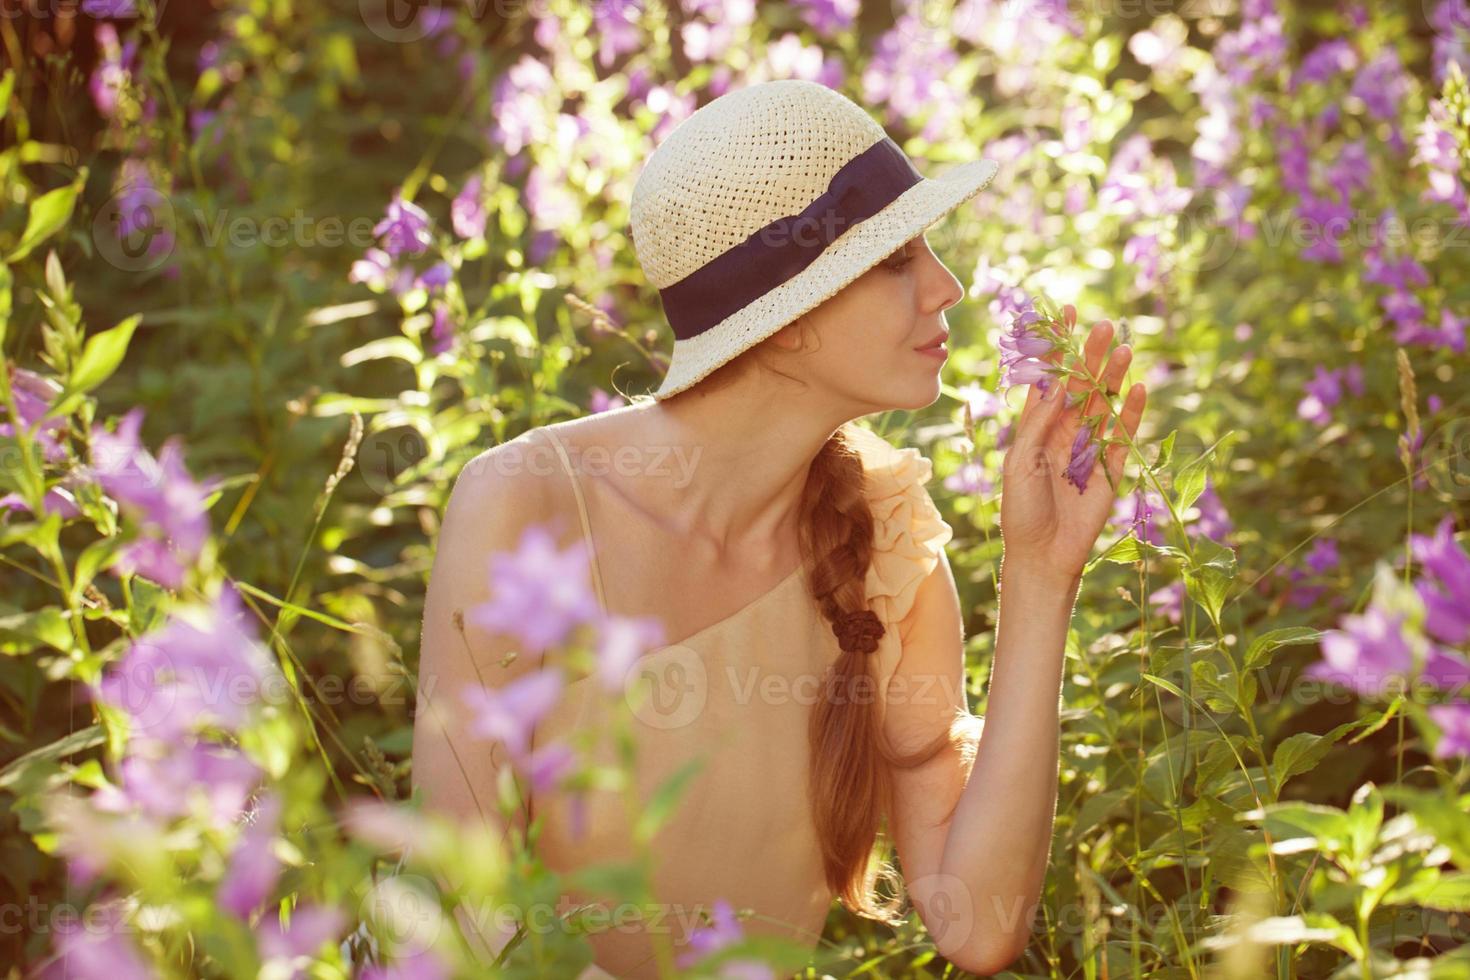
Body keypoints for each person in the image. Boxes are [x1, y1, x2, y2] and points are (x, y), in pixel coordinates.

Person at [412, 78, 1147, 979]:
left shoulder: (886, 529)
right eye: (895, 261)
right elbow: (457, 914)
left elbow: (978, 924)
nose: (947, 287)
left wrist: (1041, 573)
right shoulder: (528, 502)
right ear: (789, 320)